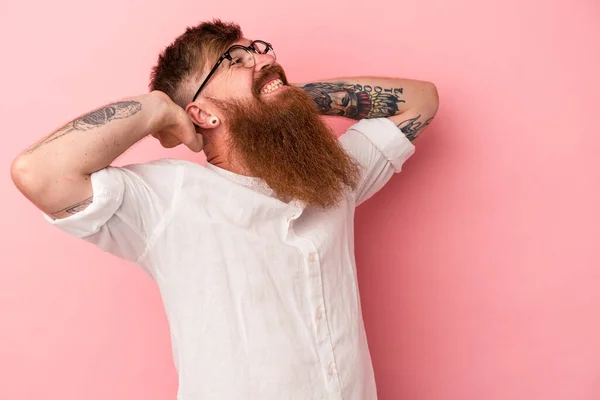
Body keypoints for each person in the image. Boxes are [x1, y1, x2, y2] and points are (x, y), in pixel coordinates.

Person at [11, 19, 439, 400]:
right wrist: (158, 108)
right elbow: (39, 172)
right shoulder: (169, 200)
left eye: (257, 48)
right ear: (202, 113)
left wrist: (286, 96)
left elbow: (421, 101)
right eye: (235, 59)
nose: (261, 57)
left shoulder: (328, 176)